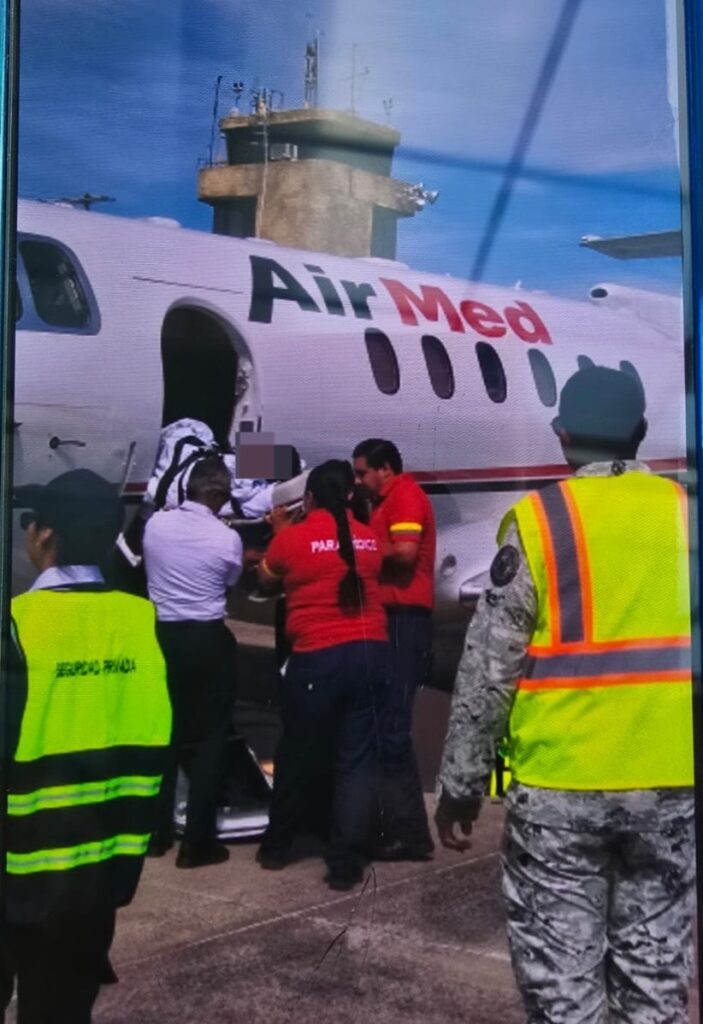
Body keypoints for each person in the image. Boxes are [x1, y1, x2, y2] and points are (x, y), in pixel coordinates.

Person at [435, 365, 694, 1024]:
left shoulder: (539, 521)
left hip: (561, 787)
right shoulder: (686, 515)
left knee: (564, 991)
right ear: (640, 432)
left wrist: (461, 784)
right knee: (654, 983)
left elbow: (488, 667)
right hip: (671, 783)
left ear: (562, 435)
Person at [2, 469, 172, 1023]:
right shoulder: (140, 621)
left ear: (44, 535)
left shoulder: (18, 623)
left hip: (18, 870)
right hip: (100, 875)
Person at [256, 459, 388, 891]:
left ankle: (277, 847)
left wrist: (281, 530)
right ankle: (345, 863)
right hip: (370, 655)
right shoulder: (369, 539)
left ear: (309, 498)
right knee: (355, 761)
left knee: (296, 752)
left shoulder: (293, 539)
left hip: (317, 658)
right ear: (350, 496)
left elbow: (266, 579)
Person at [142, 456, 242, 868]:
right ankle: (197, 843)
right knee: (211, 737)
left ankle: (155, 833)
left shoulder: (155, 525)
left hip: (162, 636)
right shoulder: (226, 538)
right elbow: (230, 583)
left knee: (164, 733)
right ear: (216, 494)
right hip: (206, 636)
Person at [352, 438, 436, 861]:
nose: (358, 480)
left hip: (404, 619)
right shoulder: (385, 502)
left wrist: (363, 548)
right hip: (392, 619)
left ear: (385, 468)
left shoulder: (404, 497)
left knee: (393, 727)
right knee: (386, 723)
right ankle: (395, 825)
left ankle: (411, 833)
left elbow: (404, 552)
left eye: (362, 472)